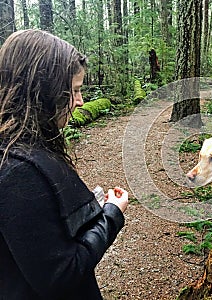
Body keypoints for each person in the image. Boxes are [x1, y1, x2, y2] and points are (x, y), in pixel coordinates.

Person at [0, 29, 129, 299]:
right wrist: (112, 214)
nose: (81, 102)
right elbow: (62, 274)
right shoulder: (17, 170)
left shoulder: (25, 147)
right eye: (74, 90)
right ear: (43, 91)